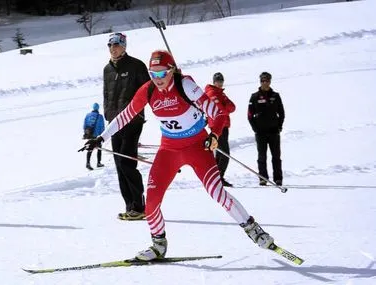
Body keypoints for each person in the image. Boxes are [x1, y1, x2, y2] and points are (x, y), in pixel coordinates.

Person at [85, 50, 275, 261]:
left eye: (162, 73)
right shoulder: (148, 90)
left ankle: (253, 229)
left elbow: (218, 113)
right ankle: (158, 245)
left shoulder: (185, 85)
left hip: (197, 147)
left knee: (217, 192)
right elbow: (125, 116)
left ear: (172, 70)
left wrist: (214, 134)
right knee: (151, 202)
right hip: (169, 150)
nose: (157, 79)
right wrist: (101, 138)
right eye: (153, 73)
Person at [103, 32, 150, 220]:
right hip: (114, 122)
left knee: (127, 162)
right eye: (110, 45)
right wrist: (107, 114)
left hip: (132, 120)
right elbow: (107, 94)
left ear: (124, 46)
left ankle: (139, 206)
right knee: (119, 165)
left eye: (116, 45)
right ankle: (130, 206)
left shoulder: (136, 66)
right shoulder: (107, 69)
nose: (113, 48)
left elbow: (149, 90)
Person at [247, 72, 285, 186]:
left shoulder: (276, 96)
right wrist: (255, 128)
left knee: (276, 156)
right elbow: (249, 115)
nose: (265, 83)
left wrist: (279, 126)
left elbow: (281, 113)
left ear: (270, 81)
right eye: (263, 81)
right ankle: (263, 178)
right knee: (262, 156)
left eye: (267, 81)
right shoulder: (254, 96)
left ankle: (278, 179)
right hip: (260, 132)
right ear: (260, 82)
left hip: (274, 131)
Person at [204, 72, 236, 187]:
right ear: (214, 81)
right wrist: (225, 107)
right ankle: (219, 177)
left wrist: (225, 107)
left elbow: (232, 106)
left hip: (224, 125)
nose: (220, 83)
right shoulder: (212, 93)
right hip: (218, 126)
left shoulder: (221, 94)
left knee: (220, 153)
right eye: (218, 81)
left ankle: (217, 178)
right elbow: (220, 111)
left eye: (221, 81)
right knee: (224, 153)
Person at [83, 102, 105, 170]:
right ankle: (98, 163)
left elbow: (84, 125)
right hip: (97, 135)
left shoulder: (87, 115)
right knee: (99, 149)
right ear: (98, 108)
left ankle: (88, 163)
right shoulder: (100, 116)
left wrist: (87, 133)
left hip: (89, 135)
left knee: (90, 149)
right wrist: (102, 136)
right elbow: (102, 127)